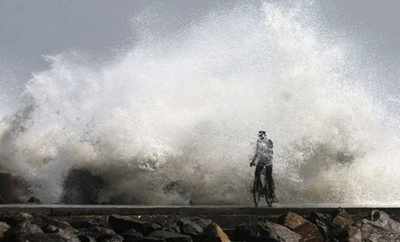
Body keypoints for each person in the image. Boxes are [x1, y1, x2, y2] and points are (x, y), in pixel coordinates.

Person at [250, 130, 277, 202]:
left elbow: (271, 151)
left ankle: (272, 195)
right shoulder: (258, 142)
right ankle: (260, 189)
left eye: (262, 135)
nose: (260, 137)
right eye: (259, 135)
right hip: (261, 162)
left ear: (265, 135)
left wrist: (268, 157)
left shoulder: (269, 141)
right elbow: (256, 152)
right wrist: (253, 161)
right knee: (256, 175)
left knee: (269, 177)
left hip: (268, 162)